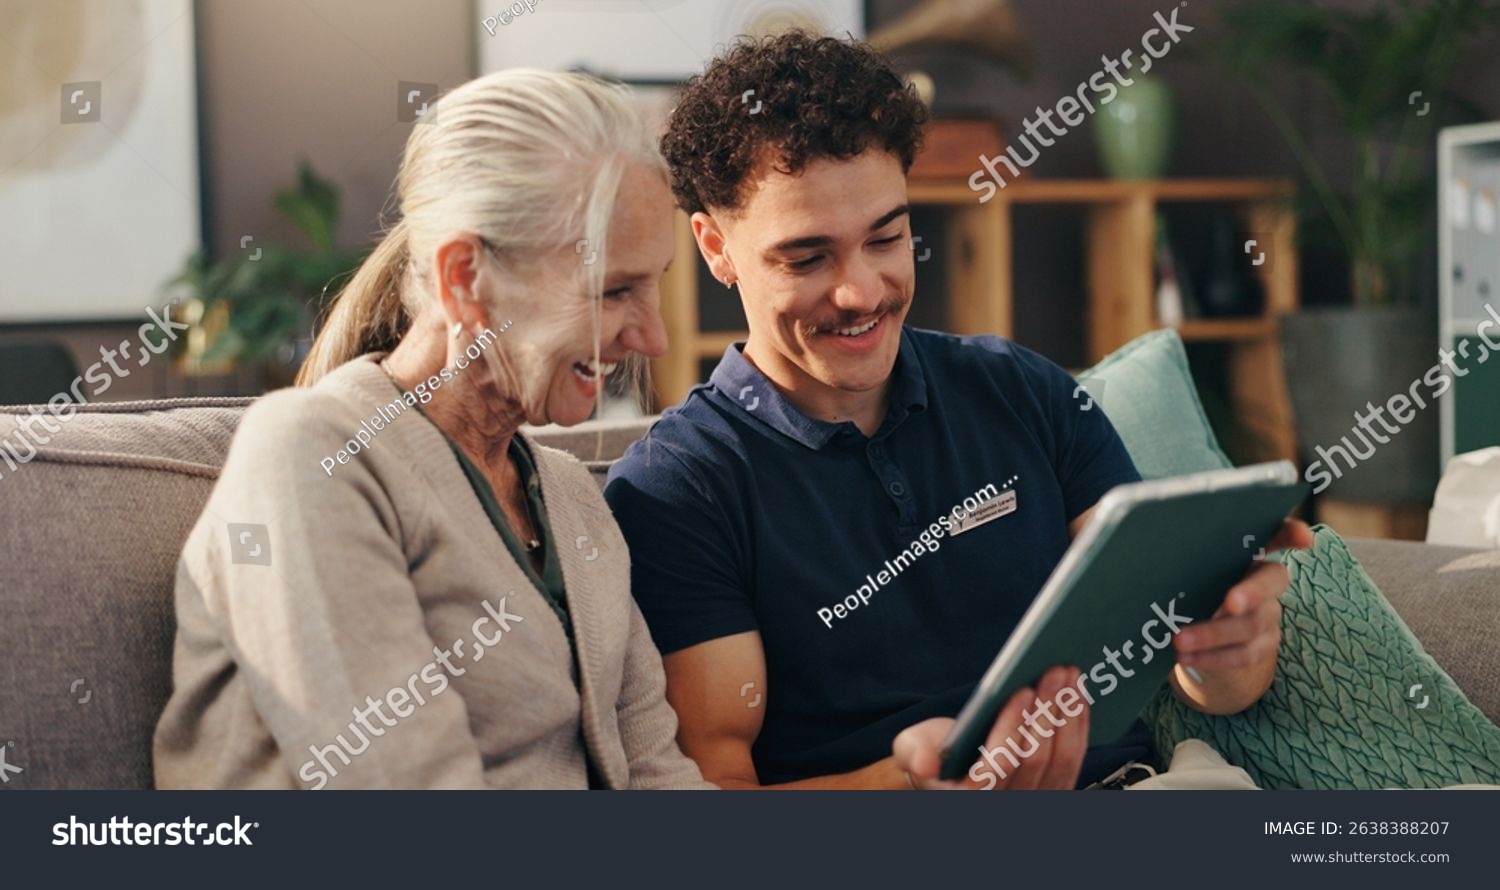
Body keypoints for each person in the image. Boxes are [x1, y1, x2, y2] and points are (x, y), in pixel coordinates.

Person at [604, 33, 1313, 790]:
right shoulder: (678, 490)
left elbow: (1193, 674)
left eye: (887, 237)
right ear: (715, 246)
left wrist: (1230, 653)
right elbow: (712, 805)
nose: (862, 293)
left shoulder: (1023, 391)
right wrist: (917, 787)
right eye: (807, 258)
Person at [154, 70, 713, 790]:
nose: (655, 338)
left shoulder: (572, 499)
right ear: (464, 278)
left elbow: (659, 775)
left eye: (654, 283)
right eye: (614, 291)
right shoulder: (311, 457)